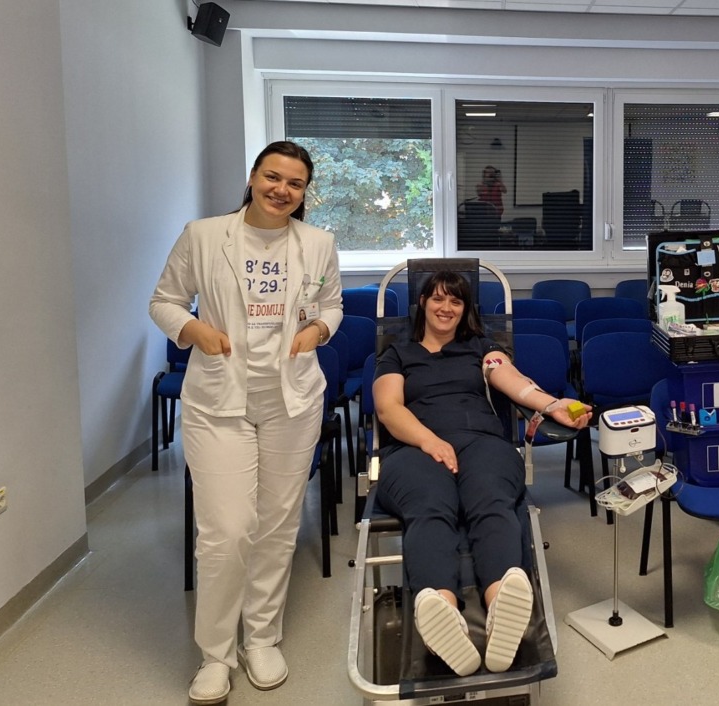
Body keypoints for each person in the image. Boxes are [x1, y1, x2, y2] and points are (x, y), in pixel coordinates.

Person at [149, 141, 343, 705]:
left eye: (295, 183)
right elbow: (164, 301)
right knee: (227, 530)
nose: (282, 190)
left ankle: (261, 637)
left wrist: (319, 331)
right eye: (273, 177)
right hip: (218, 401)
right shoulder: (204, 235)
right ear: (254, 177)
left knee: (278, 524)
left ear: (304, 192)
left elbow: (331, 305)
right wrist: (194, 332)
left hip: (292, 400)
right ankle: (215, 653)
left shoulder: (318, 243)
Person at [373, 271, 591, 676]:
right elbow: (389, 409)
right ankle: (442, 611)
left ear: (465, 309)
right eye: (438, 299)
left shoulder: (481, 348)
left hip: (482, 443)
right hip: (412, 448)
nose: (446, 308)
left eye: (455, 301)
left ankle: (500, 602)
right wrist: (429, 441)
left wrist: (552, 405)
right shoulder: (397, 354)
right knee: (429, 505)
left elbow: (513, 382)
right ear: (422, 303)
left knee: (491, 499)